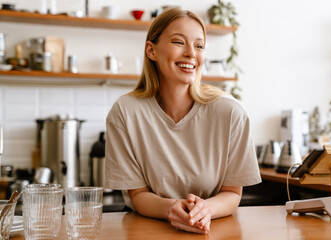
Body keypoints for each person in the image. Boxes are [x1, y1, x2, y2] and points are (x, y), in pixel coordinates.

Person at [105, 7, 261, 234]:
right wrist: (172, 208)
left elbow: (233, 194)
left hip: (212, 231)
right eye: (179, 42)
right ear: (151, 50)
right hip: (148, 232)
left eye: (199, 46)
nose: (191, 53)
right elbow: (137, 195)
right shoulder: (125, 113)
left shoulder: (230, 113)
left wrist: (205, 210)